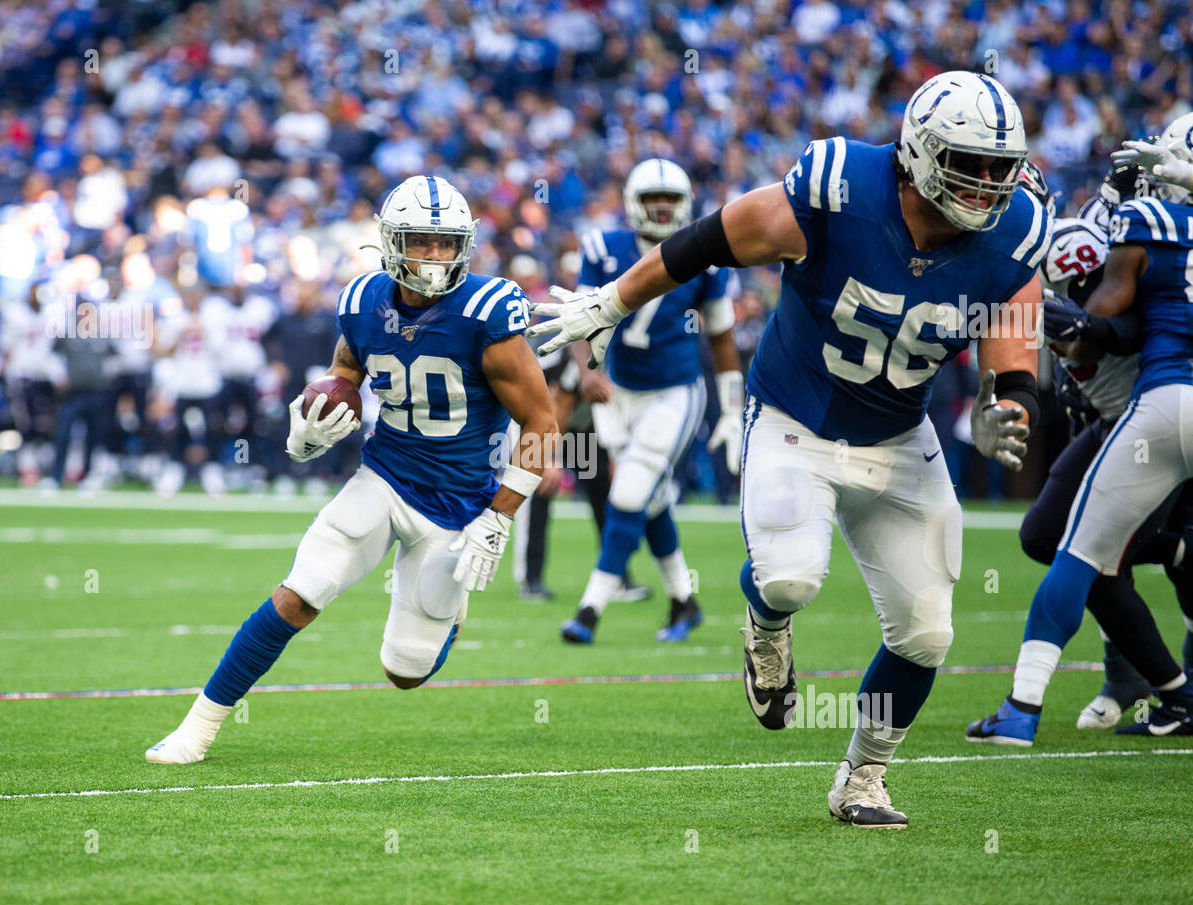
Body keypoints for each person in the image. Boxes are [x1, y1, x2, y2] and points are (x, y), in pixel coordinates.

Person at [531, 72, 1048, 827]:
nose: (989, 184)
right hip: (795, 418)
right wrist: (612, 301)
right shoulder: (840, 190)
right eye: (972, 162)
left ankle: (863, 778)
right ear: (922, 151)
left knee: (929, 631)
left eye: (1001, 167)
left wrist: (1015, 400)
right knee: (791, 578)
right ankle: (765, 626)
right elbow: (708, 237)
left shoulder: (1012, 231)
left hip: (901, 434)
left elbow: (1013, 327)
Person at [147, 175, 557, 764]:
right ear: (392, 241)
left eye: (448, 243)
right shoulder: (362, 302)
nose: (437, 255)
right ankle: (197, 729)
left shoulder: (487, 311)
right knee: (300, 594)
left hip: (461, 506)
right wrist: (309, 432)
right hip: (385, 477)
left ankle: (448, 615)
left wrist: (500, 518)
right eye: (422, 240)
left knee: (405, 673)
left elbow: (544, 425)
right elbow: (344, 381)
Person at [968, 113, 1193, 743]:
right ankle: (1159, 687)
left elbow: (1116, 325)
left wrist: (1068, 325)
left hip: (1153, 406)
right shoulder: (1123, 219)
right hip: (1126, 409)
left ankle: (1028, 707)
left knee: (1080, 551)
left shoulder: (1113, 230)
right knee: (1055, 538)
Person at [552, 158, 742, 645]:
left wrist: (732, 406)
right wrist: (586, 367)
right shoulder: (603, 247)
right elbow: (578, 316)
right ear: (634, 204)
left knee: (630, 493)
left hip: (674, 392)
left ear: (685, 205)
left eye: (671, 200)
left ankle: (590, 610)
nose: (662, 209)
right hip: (615, 392)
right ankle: (685, 601)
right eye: (653, 200)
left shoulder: (707, 259)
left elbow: (722, 338)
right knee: (650, 498)